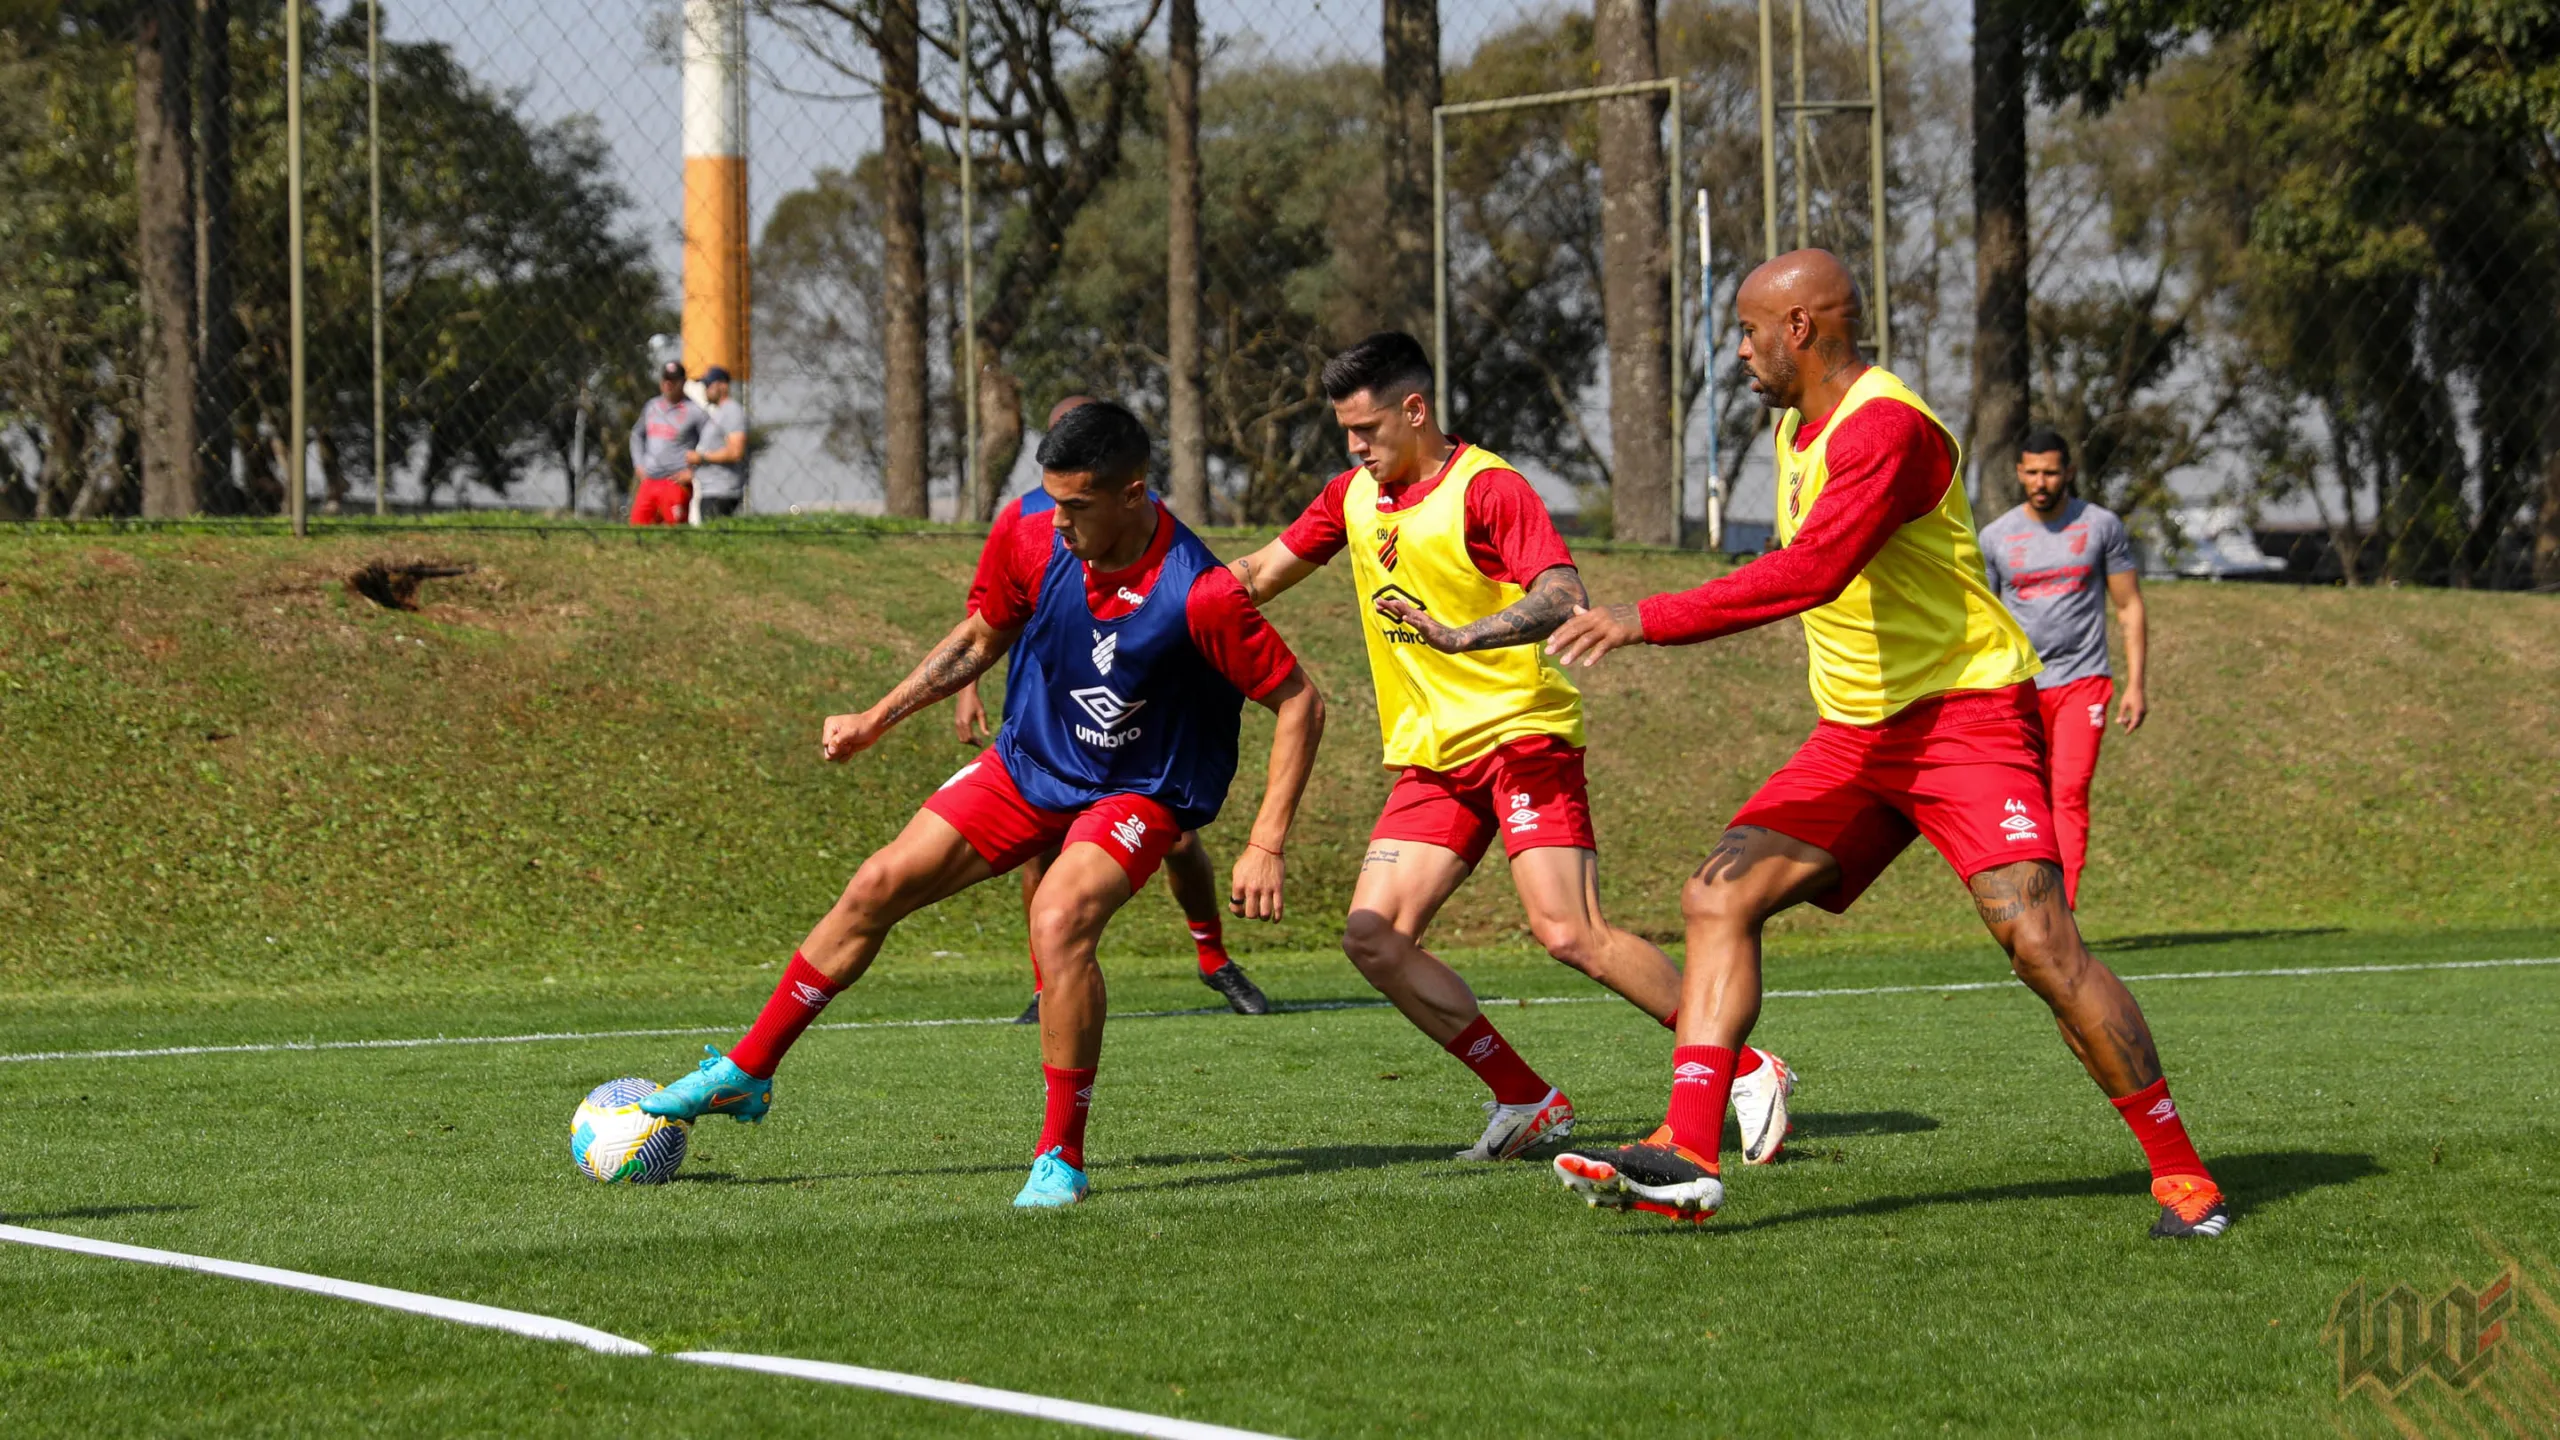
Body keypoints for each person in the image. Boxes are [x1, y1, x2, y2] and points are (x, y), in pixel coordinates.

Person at [1541, 250, 2225, 1238]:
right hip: (1856, 738)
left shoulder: (1888, 430)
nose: (1738, 351)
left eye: (1747, 331)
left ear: (1802, 329)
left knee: (2040, 945)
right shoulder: (1793, 426)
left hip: (1966, 718)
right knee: (1716, 896)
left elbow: (1812, 570)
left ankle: (2183, 1180)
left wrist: (1643, 617)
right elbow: (1799, 564)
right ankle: (1685, 1154)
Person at [636, 401, 1325, 1208]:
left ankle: (1060, 1157)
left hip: (1138, 788)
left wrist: (1267, 839)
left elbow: (1300, 702)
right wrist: (873, 720)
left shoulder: (1200, 593)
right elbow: (980, 638)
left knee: (1061, 917)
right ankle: (748, 1071)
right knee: (877, 884)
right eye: (1051, 499)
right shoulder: (1032, 533)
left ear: (1134, 494)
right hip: (1031, 759)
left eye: (1078, 506)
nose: (1058, 521)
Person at [1224, 333, 1795, 1165]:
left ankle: (1744, 1065)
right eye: (1346, 433)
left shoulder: (1487, 489)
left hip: (1522, 736)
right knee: (1373, 936)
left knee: (1570, 931)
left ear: (1415, 410)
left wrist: (1465, 637)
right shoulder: (1348, 497)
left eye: (1368, 429)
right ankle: (1526, 1097)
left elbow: (1564, 594)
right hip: (1434, 756)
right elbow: (1255, 575)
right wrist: (1151, 594)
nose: (1354, 447)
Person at [955, 395, 1274, 1022]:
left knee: (1180, 841)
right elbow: (985, 609)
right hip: (1042, 701)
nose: (1063, 516)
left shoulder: (1131, 518)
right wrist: (967, 687)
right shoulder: (1023, 518)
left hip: (1123, 716)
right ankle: (1049, 982)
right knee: (1038, 851)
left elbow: (1168, 596)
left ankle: (1213, 958)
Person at [1978, 431, 2147, 908]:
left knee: (2069, 791)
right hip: (2021, 687)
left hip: (2083, 682)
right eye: (2031, 472)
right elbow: (1985, 620)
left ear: (2068, 472)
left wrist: (2135, 684)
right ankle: (2028, 903)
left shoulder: (2100, 527)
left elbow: (2129, 606)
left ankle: (2061, 911)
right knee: (2025, 803)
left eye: (2050, 472)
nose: (2041, 482)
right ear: (2018, 472)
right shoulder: (1995, 537)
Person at [629, 360, 707, 526]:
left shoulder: (695, 412)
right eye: (665, 380)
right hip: (649, 480)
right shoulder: (652, 406)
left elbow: (711, 442)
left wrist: (694, 471)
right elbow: (637, 434)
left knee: (675, 531)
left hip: (675, 482)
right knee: (636, 530)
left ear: (683, 382)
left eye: (673, 381)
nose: (668, 384)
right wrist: (639, 464)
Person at [686, 366, 749, 522]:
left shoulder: (732, 411)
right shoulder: (718, 412)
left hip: (722, 491)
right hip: (709, 489)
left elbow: (736, 451)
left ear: (723, 385)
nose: (705, 389)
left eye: (709, 385)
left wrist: (701, 458)